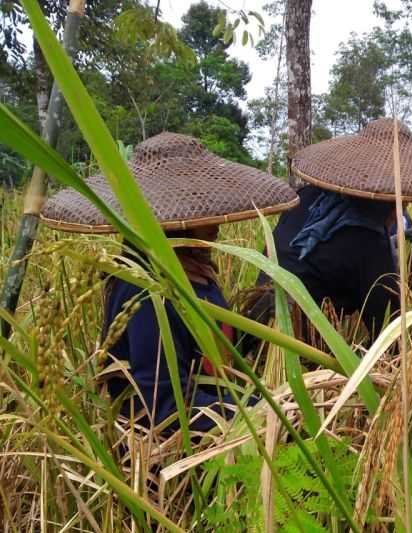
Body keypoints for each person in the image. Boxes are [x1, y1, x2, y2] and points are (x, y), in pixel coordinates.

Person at [41, 132, 299, 432]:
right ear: (173, 224)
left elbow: (204, 356)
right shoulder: (146, 292)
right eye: (200, 211)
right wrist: (264, 412)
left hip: (218, 416)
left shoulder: (195, 270)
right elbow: (161, 405)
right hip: (174, 452)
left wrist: (254, 323)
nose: (214, 221)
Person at [255, 118, 412, 339]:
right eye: (403, 202)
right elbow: (391, 332)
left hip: (254, 321)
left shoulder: (308, 197)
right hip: (292, 342)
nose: (404, 206)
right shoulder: (366, 241)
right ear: (388, 203)